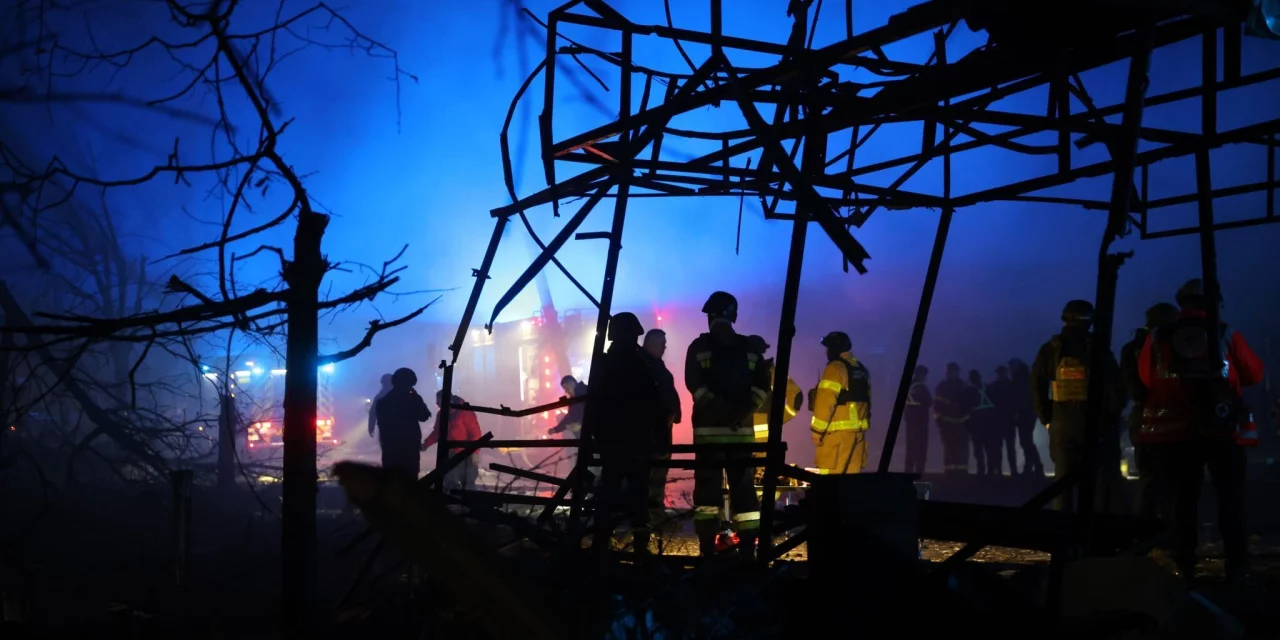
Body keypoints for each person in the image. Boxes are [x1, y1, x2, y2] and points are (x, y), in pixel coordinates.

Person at [1137, 279, 1263, 582]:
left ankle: (1185, 566)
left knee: (1183, 502)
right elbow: (1254, 373)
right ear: (1214, 302)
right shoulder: (1225, 333)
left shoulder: (1158, 337)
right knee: (1231, 500)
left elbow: (1146, 378)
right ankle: (1237, 566)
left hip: (1177, 435)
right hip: (1223, 431)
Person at [685, 292, 769, 557]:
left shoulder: (698, 347)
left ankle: (707, 551)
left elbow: (694, 385)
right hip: (740, 435)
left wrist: (719, 410)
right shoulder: (750, 348)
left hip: (707, 436)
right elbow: (762, 387)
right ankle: (748, 552)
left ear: (710, 317)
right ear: (734, 316)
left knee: (707, 495)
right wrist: (741, 413)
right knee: (744, 491)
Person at [1030, 299, 1125, 511]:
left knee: (1062, 485)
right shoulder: (1098, 348)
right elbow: (1117, 387)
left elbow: (1036, 384)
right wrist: (1110, 417)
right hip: (1095, 423)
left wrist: (1047, 418)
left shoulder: (1050, 349)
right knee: (1098, 484)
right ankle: (1093, 529)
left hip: (1062, 423)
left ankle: (1062, 529)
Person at [589, 312, 664, 544]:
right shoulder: (638, 366)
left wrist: (594, 437)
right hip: (636, 441)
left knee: (609, 489)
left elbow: (594, 405)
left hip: (610, 442)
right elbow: (653, 405)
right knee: (639, 492)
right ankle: (640, 546)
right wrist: (661, 439)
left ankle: (602, 541)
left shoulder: (602, 365)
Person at [1121, 302, 1179, 519]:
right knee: (1175, 482)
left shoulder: (1132, 349)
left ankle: (1144, 529)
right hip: (1176, 421)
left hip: (1144, 421)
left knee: (1148, 479)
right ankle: (1171, 528)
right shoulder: (1180, 345)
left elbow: (1133, 388)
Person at [809, 331, 873, 475]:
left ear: (834, 348)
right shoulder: (861, 369)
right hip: (858, 436)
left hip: (837, 437)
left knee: (830, 480)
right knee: (851, 480)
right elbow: (867, 400)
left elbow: (825, 401)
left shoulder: (835, 368)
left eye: (828, 348)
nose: (826, 352)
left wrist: (817, 431)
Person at [747, 335, 803, 488]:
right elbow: (796, 396)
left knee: (756, 480)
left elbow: (796, 396)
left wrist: (778, 419)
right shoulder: (767, 371)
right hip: (750, 437)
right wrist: (777, 419)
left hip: (748, 436)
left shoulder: (769, 372)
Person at [639, 328, 681, 525]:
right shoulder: (645, 366)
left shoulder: (654, 365)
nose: (665, 348)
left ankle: (652, 517)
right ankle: (648, 519)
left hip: (660, 431)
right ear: (650, 343)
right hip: (651, 433)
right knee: (650, 477)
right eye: (662, 344)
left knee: (656, 477)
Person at [374, 368, 431, 478]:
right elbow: (424, 416)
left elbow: (381, 424)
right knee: (410, 479)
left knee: (391, 478)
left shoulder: (383, 401)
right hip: (410, 447)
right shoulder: (413, 398)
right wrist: (416, 397)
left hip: (390, 447)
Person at [423, 391, 483, 493]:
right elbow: (437, 433)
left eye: (439, 401)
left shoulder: (464, 412)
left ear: (447, 400)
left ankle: (468, 501)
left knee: (468, 484)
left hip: (466, 454)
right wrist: (426, 444)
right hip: (450, 453)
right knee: (451, 482)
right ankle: (453, 501)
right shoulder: (442, 414)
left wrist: (474, 453)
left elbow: (475, 434)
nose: (437, 404)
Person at [934, 363, 974, 474]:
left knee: (959, 449)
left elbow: (970, 404)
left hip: (958, 424)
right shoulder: (947, 386)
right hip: (952, 424)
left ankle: (958, 472)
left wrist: (939, 422)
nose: (953, 373)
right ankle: (953, 473)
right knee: (952, 449)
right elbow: (937, 406)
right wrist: (940, 422)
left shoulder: (945, 386)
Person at [1008, 359, 1043, 476]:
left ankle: (1035, 466)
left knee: (1026, 442)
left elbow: (1019, 399)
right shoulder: (1028, 378)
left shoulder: (1018, 380)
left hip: (1024, 415)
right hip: (1030, 414)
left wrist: (1015, 413)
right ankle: (1032, 467)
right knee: (1027, 441)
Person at [986, 365, 1021, 475]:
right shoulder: (1012, 386)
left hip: (999, 421)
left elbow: (989, 403)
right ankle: (1012, 471)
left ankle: (1000, 470)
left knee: (1000, 447)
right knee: (1008, 447)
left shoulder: (994, 386)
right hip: (1007, 420)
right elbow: (1017, 402)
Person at [968, 370, 999, 476]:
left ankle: (981, 471)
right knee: (989, 448)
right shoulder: (989, 388)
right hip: (990, 423)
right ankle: (991, 471)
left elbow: (966, 407)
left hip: (977, 424)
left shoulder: (969, 391)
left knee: (979, 449)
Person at [904, 366, 932, 475]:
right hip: (921, 422)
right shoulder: (921, 387)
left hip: (910, 421)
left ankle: (908, 473)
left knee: (910, 448)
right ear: (922, 375)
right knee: (921, 449)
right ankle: (919, 473)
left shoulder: (909, 385)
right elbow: (929, 401)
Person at [368, 373, 393, 439]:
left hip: (386, 429)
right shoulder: (401, 394)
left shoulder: (379, 396)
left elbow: (373, 413)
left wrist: (371, 427)